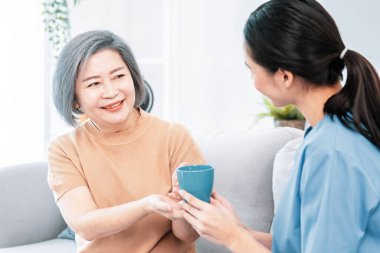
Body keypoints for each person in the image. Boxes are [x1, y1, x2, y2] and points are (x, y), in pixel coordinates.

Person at [176, 0, 380, 252]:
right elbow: (300, 245)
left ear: (284, 76)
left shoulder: (334, 151)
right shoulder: (325, 133)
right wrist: (238, 230)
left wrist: (233, 238)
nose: (252, 81)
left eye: (252, 70)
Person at [47, 30, 204, 253]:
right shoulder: (64, 148)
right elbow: (85, 225)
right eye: (93, 84)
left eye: (119, 76)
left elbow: (187, 234)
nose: (111, 92)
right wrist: (148, 205)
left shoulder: (174, 136)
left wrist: (185, 202)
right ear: (74, 99)